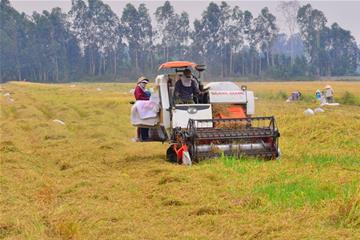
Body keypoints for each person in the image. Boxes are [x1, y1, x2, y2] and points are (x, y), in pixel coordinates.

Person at [134, 76, 151, 140]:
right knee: (143, 123)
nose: (145, 84)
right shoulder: (138, 89)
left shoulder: (141, 89)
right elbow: (139, 97)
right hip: (141, 107)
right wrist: (148, 99)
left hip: (143, 107)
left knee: (143, 123)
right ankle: (143, 137)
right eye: (143, 82)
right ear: (140, 82)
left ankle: (142, 137)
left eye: (145, 83)